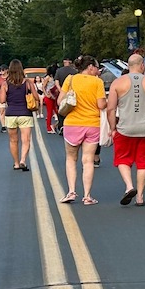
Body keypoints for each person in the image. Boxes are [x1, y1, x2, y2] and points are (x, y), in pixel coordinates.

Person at [106, 54, 145, 206]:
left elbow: (111, 109)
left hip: (125, 128)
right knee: (143, 163)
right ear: (142, 65)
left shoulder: (118, 83)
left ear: (128, 65)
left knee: (123, 159)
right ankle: (140, 197)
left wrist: (112, 128)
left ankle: (129, 186)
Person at [59, 56, 107, 205]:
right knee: (88, 161)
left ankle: (71, 191)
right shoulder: (98, 82)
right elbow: (101, 104)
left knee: (71, 159)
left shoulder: (70, 80)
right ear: (90, 67)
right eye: (97, 68)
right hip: (92, 124)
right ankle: (87, 196)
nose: (98, 71)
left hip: (73, 123)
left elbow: (60, 101)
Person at [0, 60, 39, 171]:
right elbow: (36, 97)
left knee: (13, 140)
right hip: (25, 114)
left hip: (11, 114)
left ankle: (16, 163)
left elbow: (2, 101)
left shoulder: (5, 84)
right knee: (26, 140)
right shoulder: (28, 83)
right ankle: (23, 160)